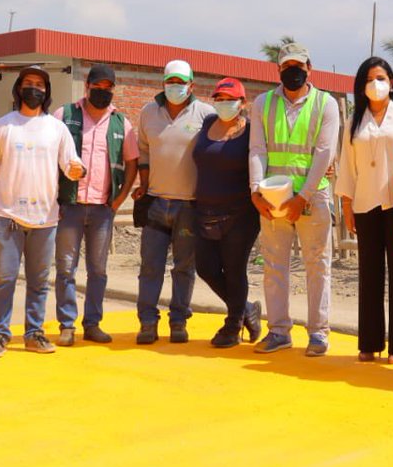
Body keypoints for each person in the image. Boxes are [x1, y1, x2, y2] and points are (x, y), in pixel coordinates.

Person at [0, 66, 84, 359]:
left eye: (39, 84)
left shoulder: (57, 129)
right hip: (8, 216)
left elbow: (72, 165)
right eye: (28, 83)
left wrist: (76, 169)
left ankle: (34, 333)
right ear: (19, 88)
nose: (34, 88)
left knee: (38, 282)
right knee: (4, 279)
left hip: (45, 219)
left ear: (46, 92)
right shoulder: (3, 126)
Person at [249, 41, 340, 357]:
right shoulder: (263, 103)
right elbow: (258, 149)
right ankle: (278, 331)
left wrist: (303, 196)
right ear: (278, 70)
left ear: (309, 68)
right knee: (274, 266)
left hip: (311, 199)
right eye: (287, 67)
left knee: (318, 265)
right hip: (273, 196)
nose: (293, 72)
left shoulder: (325, 104)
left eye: (298, 67)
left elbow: (324, 153)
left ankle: (318, 333)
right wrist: (255, 190)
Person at [335, 57, 393, 364]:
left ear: (392, 82)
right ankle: (369, 342)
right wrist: (346, 203)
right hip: (365, 203)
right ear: (361, 86)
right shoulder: (354, 121)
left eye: (381, 77)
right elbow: (347, 164)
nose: (376, 84)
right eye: (369, 79)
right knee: (369, 273)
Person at [52, 63, 138, 346]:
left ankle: (93, 324)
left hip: (103, 209)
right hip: (70, 207)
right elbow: (49, 156)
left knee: (98, 270)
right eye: (97, 87)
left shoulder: (121, 124)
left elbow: (131, 163)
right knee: (66, 269)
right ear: (86, 86)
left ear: (113, 90)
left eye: (107, 88)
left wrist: (120, 197)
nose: (102, 92)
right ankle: (67, 325)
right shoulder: (65, 115)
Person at [133, 60, 215, 345]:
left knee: (183, 267)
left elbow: (221, 146)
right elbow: (143, 151)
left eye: (181, 82)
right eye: (171, 82)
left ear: (191, 85)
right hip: (156, 202)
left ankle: (178, 320)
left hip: (189, 206)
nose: (175, 87)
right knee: (150, 266)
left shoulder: (206, 114)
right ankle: (147, 322)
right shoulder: (148, 112)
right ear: (163, 83)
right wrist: (143, 183)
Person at [191, 77, 263, 347]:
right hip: (205, 210)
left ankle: (232, 325)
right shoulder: (208, 124)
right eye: (219, 99)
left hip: (241, 213)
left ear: (242, 103)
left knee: (234, 269)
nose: (224, 104)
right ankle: (246, 309)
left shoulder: (252, 132)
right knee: (206, 267)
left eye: (230, 100)